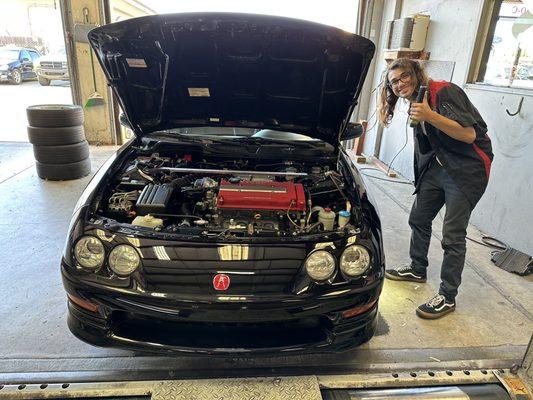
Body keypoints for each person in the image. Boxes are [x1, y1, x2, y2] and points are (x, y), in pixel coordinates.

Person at [378, 58, 493, 319]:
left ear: (416, 73)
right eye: (394, 82)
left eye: (404, 76)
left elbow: (469, 135)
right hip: (438, 167)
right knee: (418, 218)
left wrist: (430, 115)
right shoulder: (415, 101)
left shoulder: (444, 91)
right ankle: (417, 268)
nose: (399, 84)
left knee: (452, 235)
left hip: (466, 169)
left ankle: (447, 297)